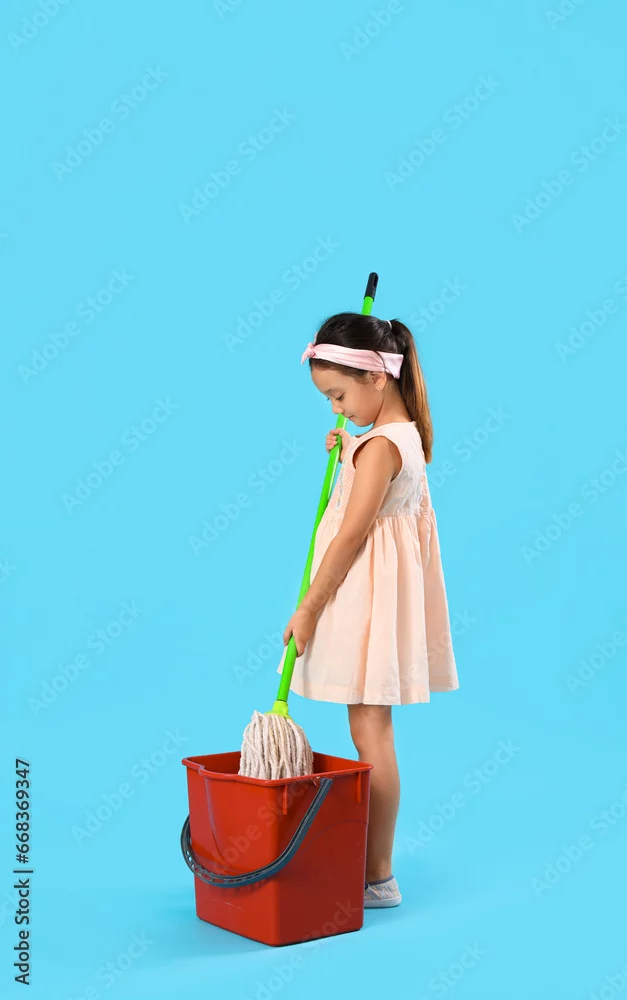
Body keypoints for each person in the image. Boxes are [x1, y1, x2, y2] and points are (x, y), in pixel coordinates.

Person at [278, 312, 459, 908]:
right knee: (370, 729)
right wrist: (351, 449)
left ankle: (378, 875)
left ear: (377, 377)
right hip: (377, 596)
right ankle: (373, 866)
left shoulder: (381, 447)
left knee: (370, 731)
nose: (335, 409)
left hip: (365, 598)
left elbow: (353, 535)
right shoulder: (395, 436)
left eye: (339, 395)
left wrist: (309, 608)